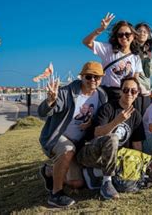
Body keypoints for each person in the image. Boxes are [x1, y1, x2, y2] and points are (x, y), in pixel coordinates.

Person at [38, 61, 108, 208]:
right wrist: (50, 101)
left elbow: (99, 118)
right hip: (60, 138)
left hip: (80, 143)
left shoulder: (102, 96)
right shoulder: (67, 92)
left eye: (97, 77)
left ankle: (49, 171)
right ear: (82, 77)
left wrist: (91, 123)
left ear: (102, 78)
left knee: (78, 183)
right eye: (89, 77)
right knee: (68, 149)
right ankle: (55, 194)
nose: (93, 80)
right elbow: (43, 112)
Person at [77, 77, 145, 200]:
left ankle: (94, 174)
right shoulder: (108, 108)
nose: (129, 94)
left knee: (126, 179)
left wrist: (138, 166)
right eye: (126, 90)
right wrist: (117, 121)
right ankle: (106, 183)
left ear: (137, 93)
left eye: (133, 91)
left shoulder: (136, 115)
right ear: (121, 91)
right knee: (113, 138)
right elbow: (97, 133)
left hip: (113, 159)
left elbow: (137, 144)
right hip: (90, 153)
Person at [82, 13, 143, 101]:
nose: (124, 37)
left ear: (133, 36)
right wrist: (100, 29)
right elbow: (86, 42)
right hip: (106, 93)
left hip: (125, 94)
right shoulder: (108, 49)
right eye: (120, 35)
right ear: (117, 37)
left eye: (127, 34)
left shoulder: (135, 57)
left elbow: (135, 80)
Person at [134, 22, 152, 114]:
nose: (142, 33)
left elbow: (149, 74)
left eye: (145, 32)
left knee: (145, 117)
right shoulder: (130, 48)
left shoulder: (149, 53)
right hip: (135, 89)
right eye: (139, 31)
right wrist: (138, 86)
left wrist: (148, 58)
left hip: (147, 91)